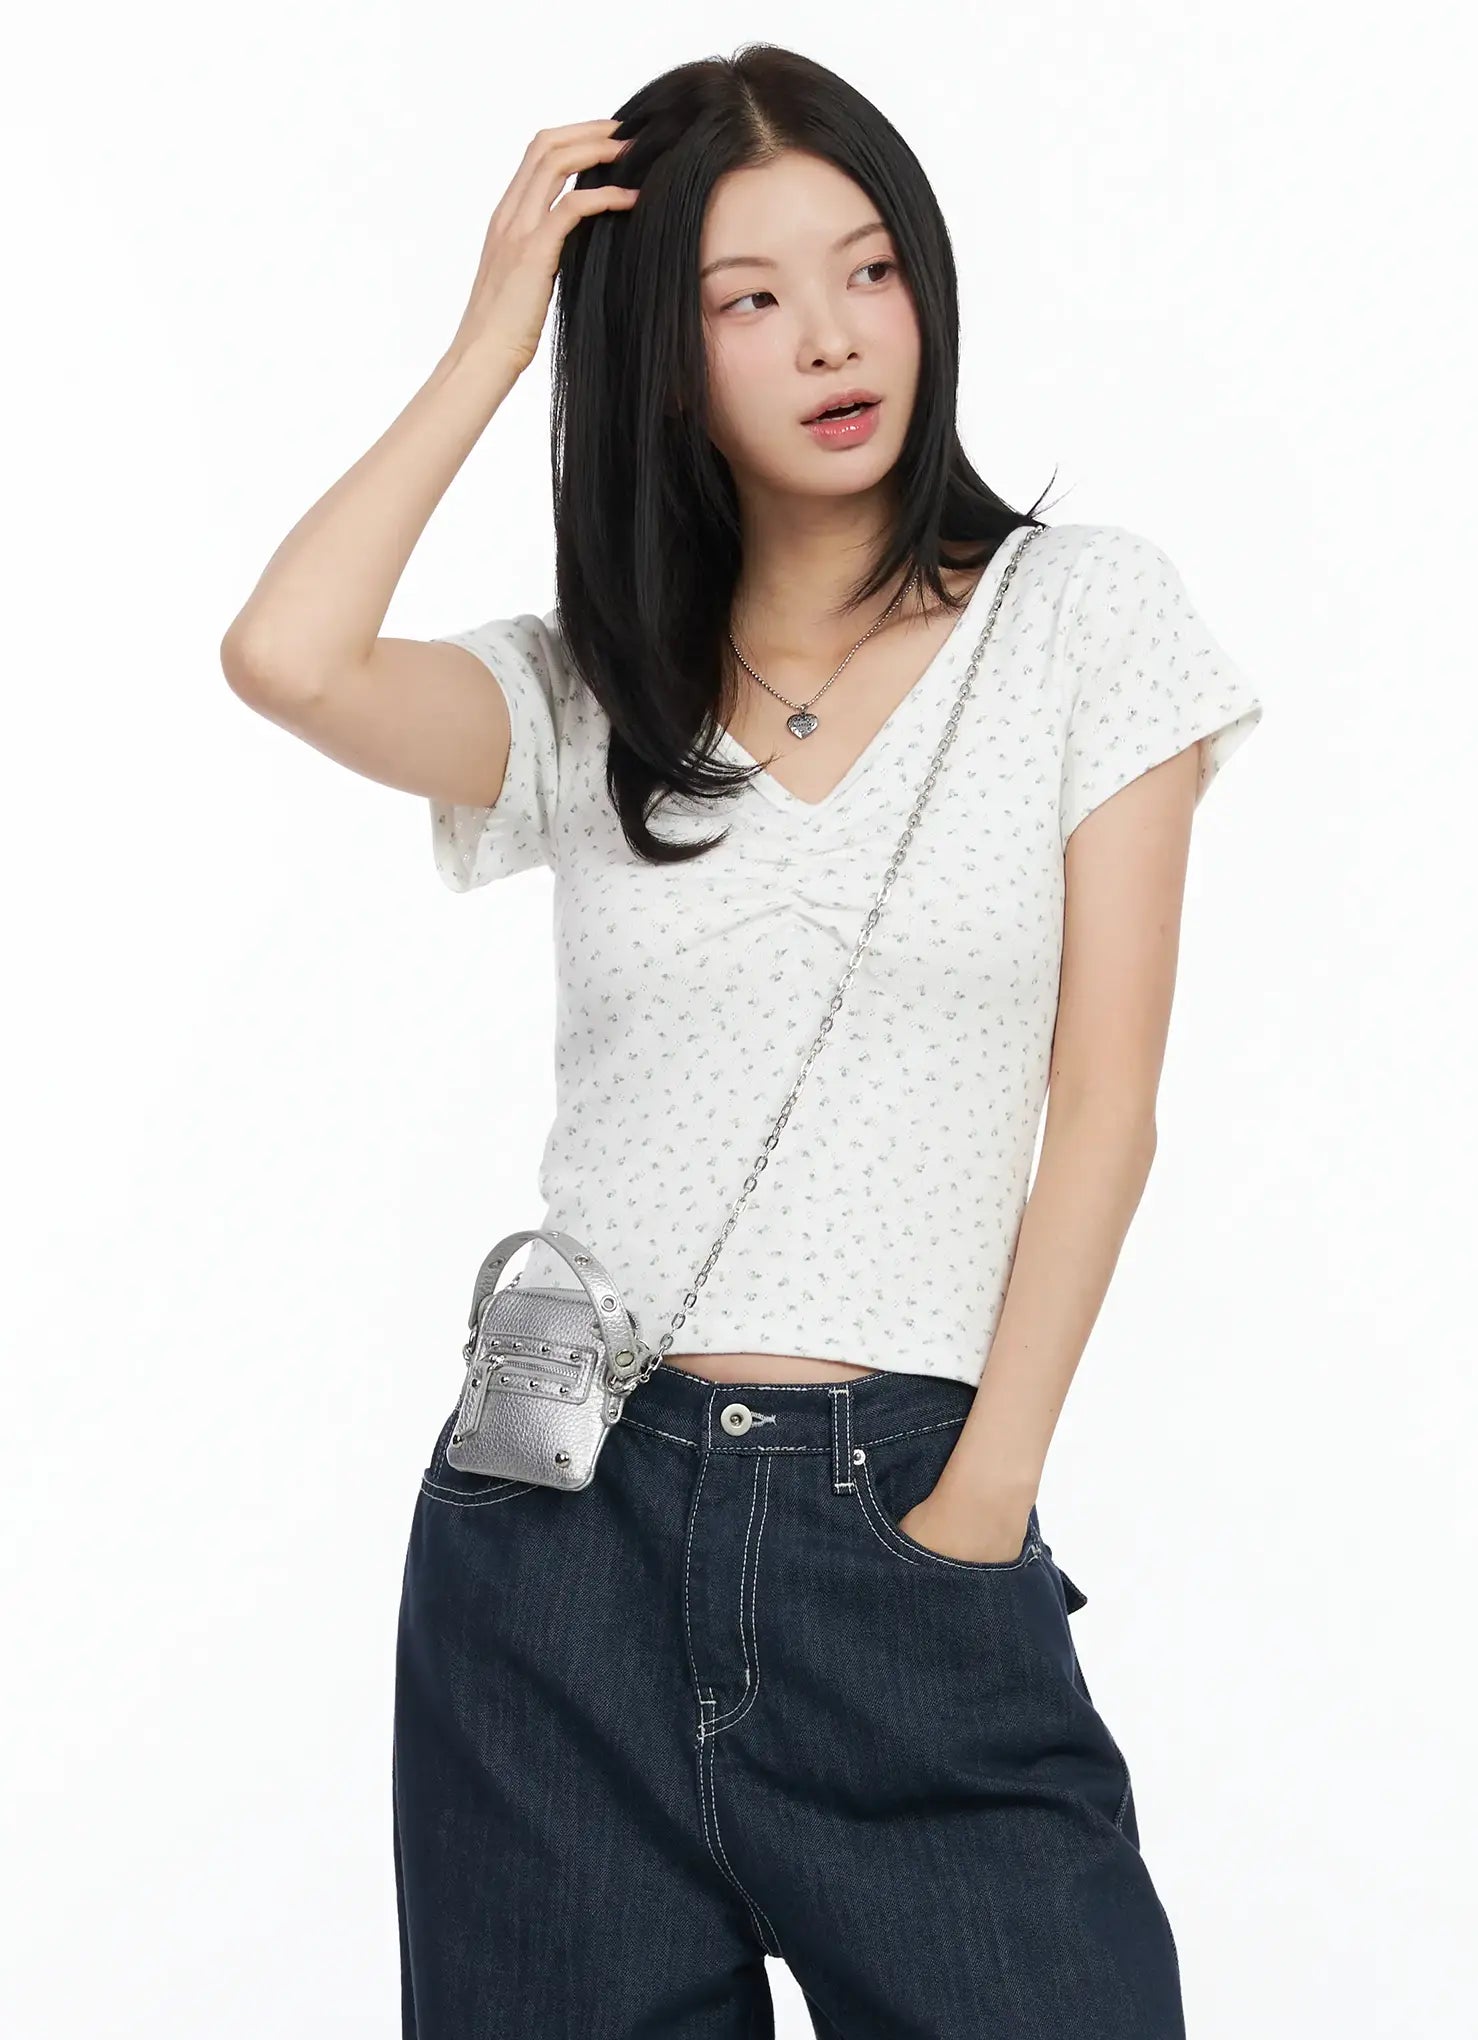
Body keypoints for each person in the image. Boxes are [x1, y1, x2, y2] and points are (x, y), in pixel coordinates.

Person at [222, 42, 1263, 2039]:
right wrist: (494, 341)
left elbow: (1106, 1107)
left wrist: (979, 1507)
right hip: (562, 1545)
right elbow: (287, 656)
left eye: (869, 270)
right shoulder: (586, 693)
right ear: (657, 355)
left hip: (913, 1517)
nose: (834, 336)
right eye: (749, 297)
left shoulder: (1084, 620)